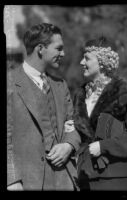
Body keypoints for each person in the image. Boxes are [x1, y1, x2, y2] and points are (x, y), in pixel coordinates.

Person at [7, 23, 81, 190]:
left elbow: (72, 125)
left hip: (65, 181)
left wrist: (69, 145)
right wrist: (11, 180)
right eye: (58, 48)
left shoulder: (60, 85)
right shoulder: (9, 83)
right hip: (26, 183)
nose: (63, 53)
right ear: (41, 48)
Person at [73, 36, 127, 190]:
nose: (81, 62)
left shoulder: (124, 92)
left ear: (103, 61)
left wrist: (104, 146)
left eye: (86, 58)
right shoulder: (80, 94)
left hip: (114, 178)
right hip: (84, 175)